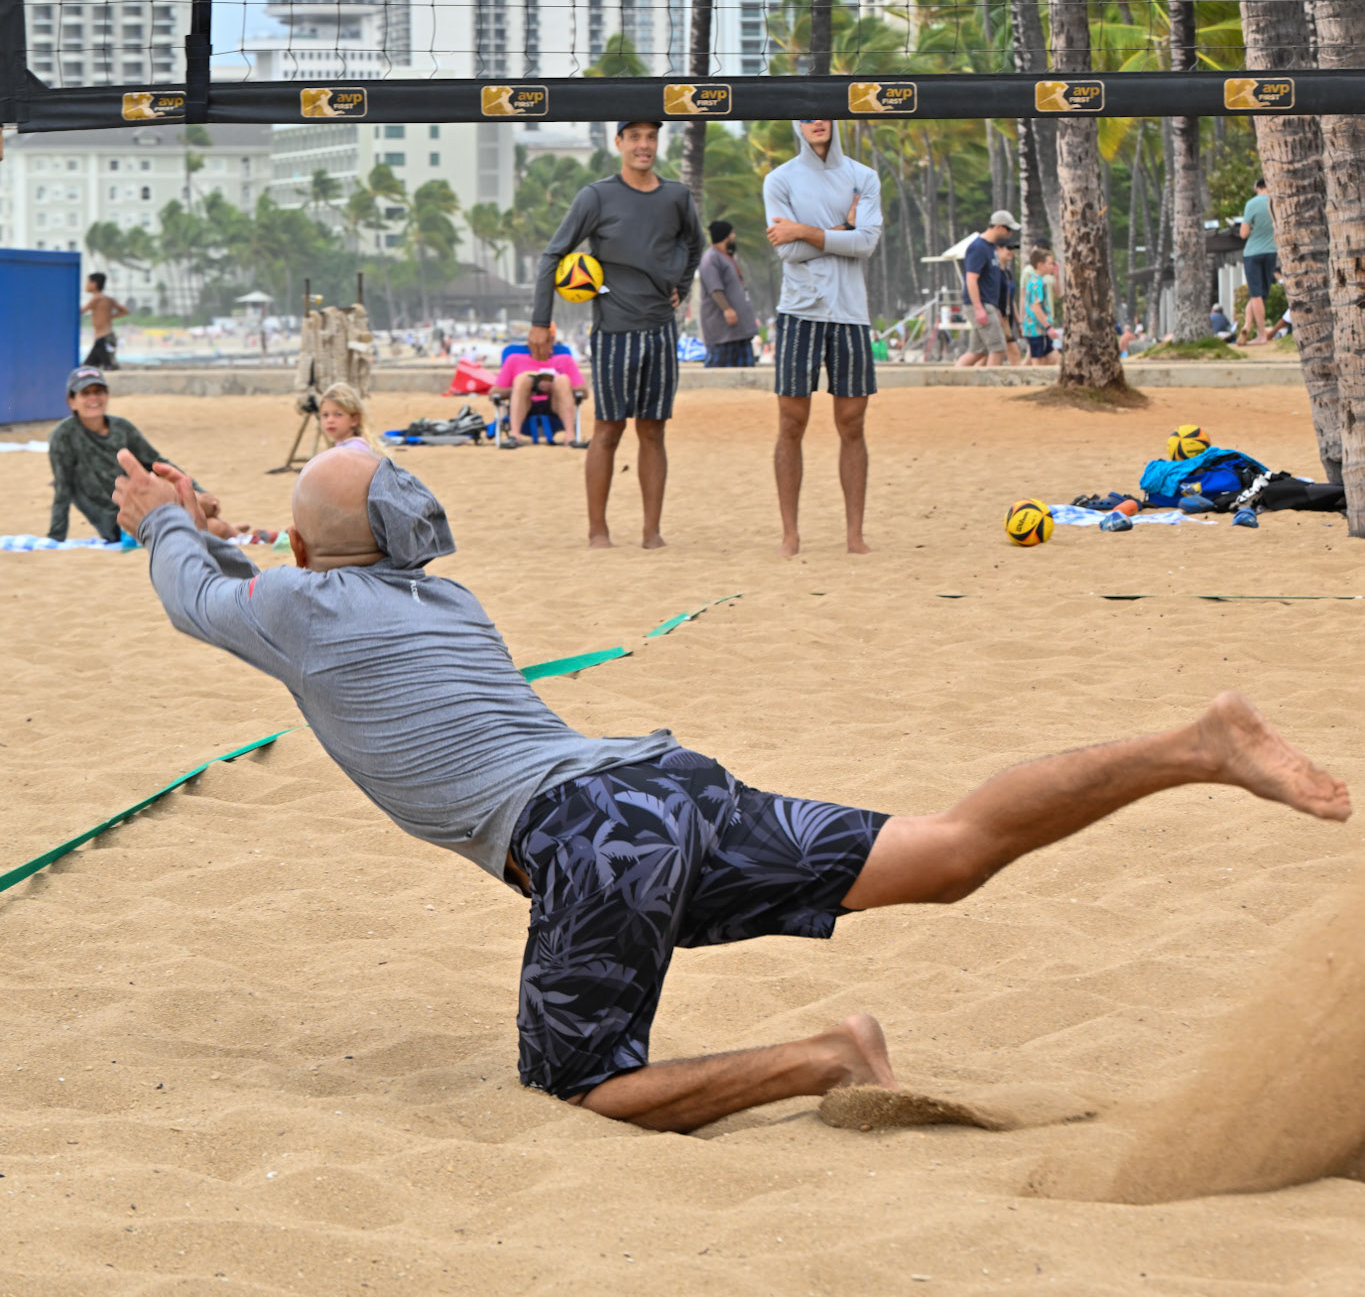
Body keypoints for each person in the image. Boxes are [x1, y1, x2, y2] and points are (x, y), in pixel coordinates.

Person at [113, 443, 1351, 1135]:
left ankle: (828, 1055)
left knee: (584, 1089)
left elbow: (198, 595)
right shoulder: (443, 596)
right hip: (661, 782)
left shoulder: (298, 604)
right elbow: (283, 575)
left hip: (590, 834)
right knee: (952, 850)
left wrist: (166, 521)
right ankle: (1196, 743)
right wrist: (209, 525)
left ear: (305, 548)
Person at [530, 121, 705, 549]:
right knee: (608, 430)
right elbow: (553, 255)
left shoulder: (677, 197)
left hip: (661, 331)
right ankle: (598, 532)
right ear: (619, 142)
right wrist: (540, 321)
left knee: (653, 431)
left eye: (651, 137)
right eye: (635, 137)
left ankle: (651, 532)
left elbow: (695, 245)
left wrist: (681, 285)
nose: (644, 145)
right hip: (613, 332)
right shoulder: (596, 196)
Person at [763, 119, 883, 558]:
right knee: (791, 423)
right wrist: (843, 229)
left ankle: (854, 535)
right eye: (807, 115)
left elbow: (866, 244)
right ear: (796, 123)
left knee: (852, 424)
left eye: (824, 114)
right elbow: (786, 250)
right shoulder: (779, 180)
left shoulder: (863, 176)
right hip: (799, 310)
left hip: (851, 314)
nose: (817, 122)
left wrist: (804, 229)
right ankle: (790, 534)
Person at [47, 366, 237, 543]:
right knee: (214, 523)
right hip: (121, 520)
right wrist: (56, 537)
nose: (93, 398)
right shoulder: (63, 437)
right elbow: (63, 489)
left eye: (98, 391)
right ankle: (235, 531)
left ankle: (239, 532)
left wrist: (196, 489)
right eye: (85, 393)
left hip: (147, 501)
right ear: (71, 401)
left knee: (206, 506)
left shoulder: (122, 428)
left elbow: (157, 462)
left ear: (107, 395)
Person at [954, 211, 1019, 369]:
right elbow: (971, 279)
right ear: (998, 227)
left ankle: (952, 376)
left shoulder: (991, 248)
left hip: (989, 305)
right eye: (1008, 229)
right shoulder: (978, 247)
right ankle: (991, 381)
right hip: (980, 304)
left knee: (978, 351)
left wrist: (995, 308)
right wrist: (978, 308)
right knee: (998, 347)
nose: (1010, 233)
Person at [495, 335, 586, 445]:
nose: (539, 347)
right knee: (521, 379)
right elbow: (494, 393)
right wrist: (530, 388)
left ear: (551, 345)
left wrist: (554, 387)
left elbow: (584, 391)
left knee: (563, 380)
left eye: (544, 343)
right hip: (524, 406)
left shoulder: (565, 360)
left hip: (555, 407)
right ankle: (515, 436)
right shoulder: (514, 360)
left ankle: (570, 437)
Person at [698, 219, 759, 367]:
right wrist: (727, 309)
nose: (734, 236)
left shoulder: (727, 257)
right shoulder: (711, 258)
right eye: (732, 233)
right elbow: (715, 288)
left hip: (739, 329)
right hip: (723, 330)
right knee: (718, 370)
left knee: (745, 372)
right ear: (725, 236)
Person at [1240, 178, 1278, 344]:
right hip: (1271, 252)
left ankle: (1261, 335)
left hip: (1253, 253)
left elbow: (1243, 234)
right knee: (1260, 294)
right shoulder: (1276, 202)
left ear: (1257, 188)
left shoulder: (1252, 203)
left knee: (1256, 295)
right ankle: (1247, 326)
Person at [319, 383, 385, 454]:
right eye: (325, 415)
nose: (330, 420)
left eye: (338, 414)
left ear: (354, 419)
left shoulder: (353, 450)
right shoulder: (345, 446)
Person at [81, 271, 128, 370]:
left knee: (107, 366)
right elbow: (124, 311)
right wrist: (110, 316)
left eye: (88, 282)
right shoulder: (108, 299)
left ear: (94, 284)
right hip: (106, 337)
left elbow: (81, 311)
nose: (86, 285)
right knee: (88, 366)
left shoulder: (96, 299)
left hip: (103, 339)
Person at [1021, 245, 1058, 366]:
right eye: (1050, 263)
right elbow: (1036, 307)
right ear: (1040, 265)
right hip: (1036, 330)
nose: (1052, 266)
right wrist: (1048, 327)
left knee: (1053, 358)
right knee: (1038, 362)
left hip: (1040, 330)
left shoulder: (1039, 281)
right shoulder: (1036, 283)